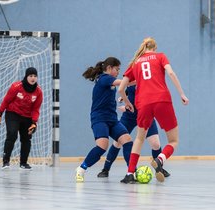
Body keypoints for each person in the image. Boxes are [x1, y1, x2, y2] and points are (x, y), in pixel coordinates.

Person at [119, 37, 189, 184]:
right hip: (162, 100)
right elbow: (171, 73)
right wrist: (181, 93)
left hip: (142, 103)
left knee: (139, 138)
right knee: (174, 140)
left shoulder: (135, 62)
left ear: (144, 48)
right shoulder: (160, 56)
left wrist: (127, 103)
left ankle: (130, 173)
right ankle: (159, 159)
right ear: (154, 48)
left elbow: (121, 88)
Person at [75, 57, 133, 182]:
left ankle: (131, 172)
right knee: (102, 146)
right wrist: (138, 79)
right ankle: (81, 168)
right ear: (109, 68)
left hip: (112, 119)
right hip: (99, 118)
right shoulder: (104, 78)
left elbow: (123, 86)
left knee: (127, 140)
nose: (118, 72)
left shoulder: (110, 81)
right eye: (117, 69)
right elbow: (123, 83)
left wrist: (128, 101)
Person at [97, 86, 170, 178]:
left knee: (156, 144)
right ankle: (106, 169)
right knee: (118, 142)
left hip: (146, 115)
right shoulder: (131, 76)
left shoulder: (148, 81)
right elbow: (128, 89)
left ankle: (159, 170)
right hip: (129, 117)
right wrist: (125, 96)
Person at [0, 67, 43, 170]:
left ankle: (23, 163)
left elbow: (36, 109)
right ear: (26, 76)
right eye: (30, 76)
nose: (33, 78)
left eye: (35, 76)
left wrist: (34, 122)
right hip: (13, 114)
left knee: (26, 139)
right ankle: (6, 161)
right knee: (12, 134)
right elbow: (6, 100)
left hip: (27, 117)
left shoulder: (38, 92)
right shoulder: (16, 86)